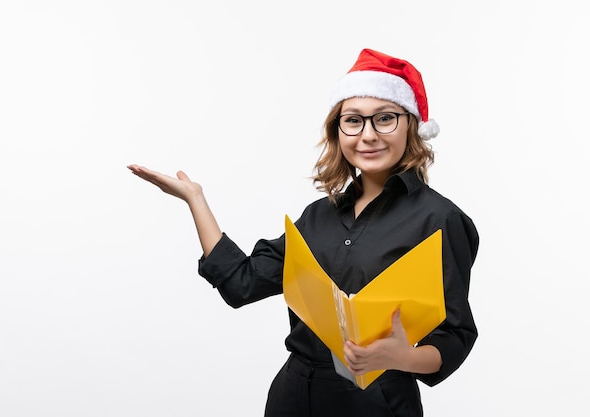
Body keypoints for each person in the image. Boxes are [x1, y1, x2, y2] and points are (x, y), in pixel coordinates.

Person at [127, 48, 479, 417]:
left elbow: (455, 335)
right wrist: (195, 199)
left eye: (385, 119)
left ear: (410, 125)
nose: (368, 135)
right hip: (292, 397)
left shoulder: (440, 219)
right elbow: (240, 284)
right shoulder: (318, 216)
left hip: (375, 401)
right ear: (337, 131)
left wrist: (403, 357)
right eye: (354, 121)